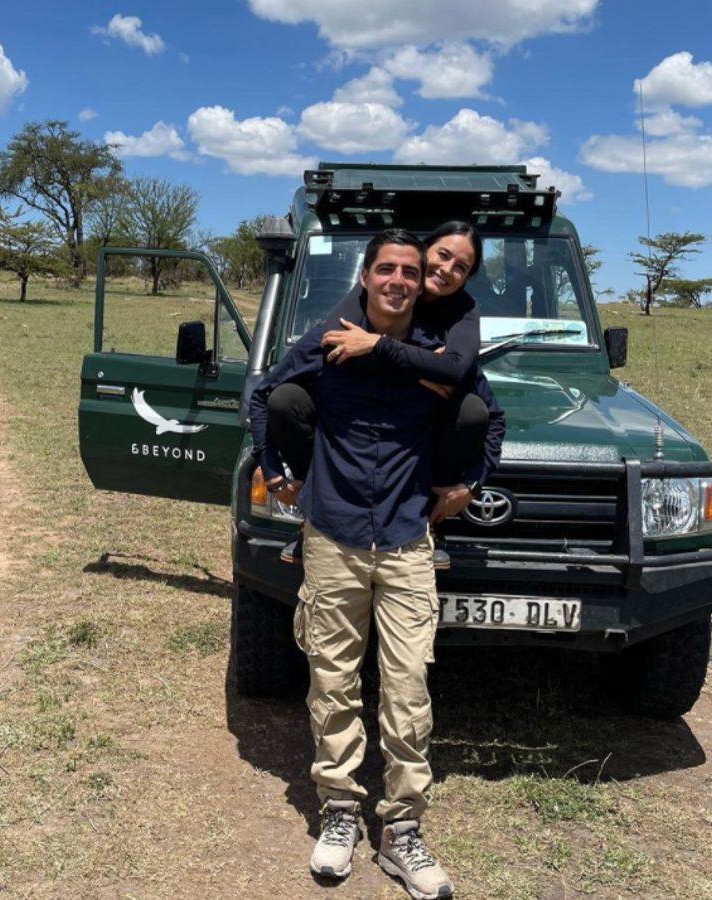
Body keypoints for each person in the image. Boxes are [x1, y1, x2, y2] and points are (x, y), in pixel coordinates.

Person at [249, 229, 504, 900]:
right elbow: (265, 396)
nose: (398, 280)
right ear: (364, 277)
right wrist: (276, 471)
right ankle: (339, 808)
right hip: (332, 533)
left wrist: (472, 483)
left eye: (410, 272)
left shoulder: (436, 353)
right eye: (385, 269)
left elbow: (489, 414)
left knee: (407, 688)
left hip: (406, 537)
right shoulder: (329, 339)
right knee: (332, 680)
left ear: (422, 285)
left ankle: (401, 829)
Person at [267, 222, 488, 567]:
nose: (447, 269)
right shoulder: (375, 291)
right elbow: (338, 340)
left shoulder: (463, 310)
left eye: (461, 266)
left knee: (471, 410)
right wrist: (421, 369)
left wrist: (473, 483)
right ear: (423, 251)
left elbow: (457, 371)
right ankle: (314, 509)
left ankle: (429, 521)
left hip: (416, 457)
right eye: (443, 255)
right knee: (285, 399)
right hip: (349, 440)